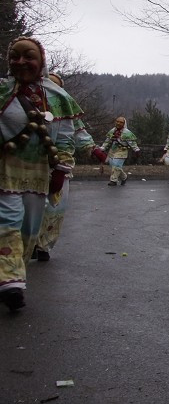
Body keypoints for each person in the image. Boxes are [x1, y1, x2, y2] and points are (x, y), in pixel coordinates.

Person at [0, 37, 95, 311]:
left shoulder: (57, 97)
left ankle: (13, 275)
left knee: (29, 230)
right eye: (14, 56)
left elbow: (66, 136)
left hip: (40, 174)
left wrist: (61, 169)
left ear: (40, 60)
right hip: (5, 170)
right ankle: (10, 283)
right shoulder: (2, 91)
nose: (20, 62)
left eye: (27, 56)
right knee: (6, 224)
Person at [34, 73, 99, 263]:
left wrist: (92, 149)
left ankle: (44, 245)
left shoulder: (64, 107)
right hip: (27, 166)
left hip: (57, 164)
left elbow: (77, 132)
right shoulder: (22, 100)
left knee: (55, 207)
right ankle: (25, 243)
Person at [100, 116, 139, 186]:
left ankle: (113, 180)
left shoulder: (127, 133)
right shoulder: (112, 131)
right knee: (113, 165)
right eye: (117, 121)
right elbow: (107, 141)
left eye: (121, 122)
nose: (118, 123)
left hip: (122, 151)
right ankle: (124, 177)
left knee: (116, 164)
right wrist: (103, 148)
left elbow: (132, 143)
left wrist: (136, 150)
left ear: (124, 123)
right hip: (113, 150)